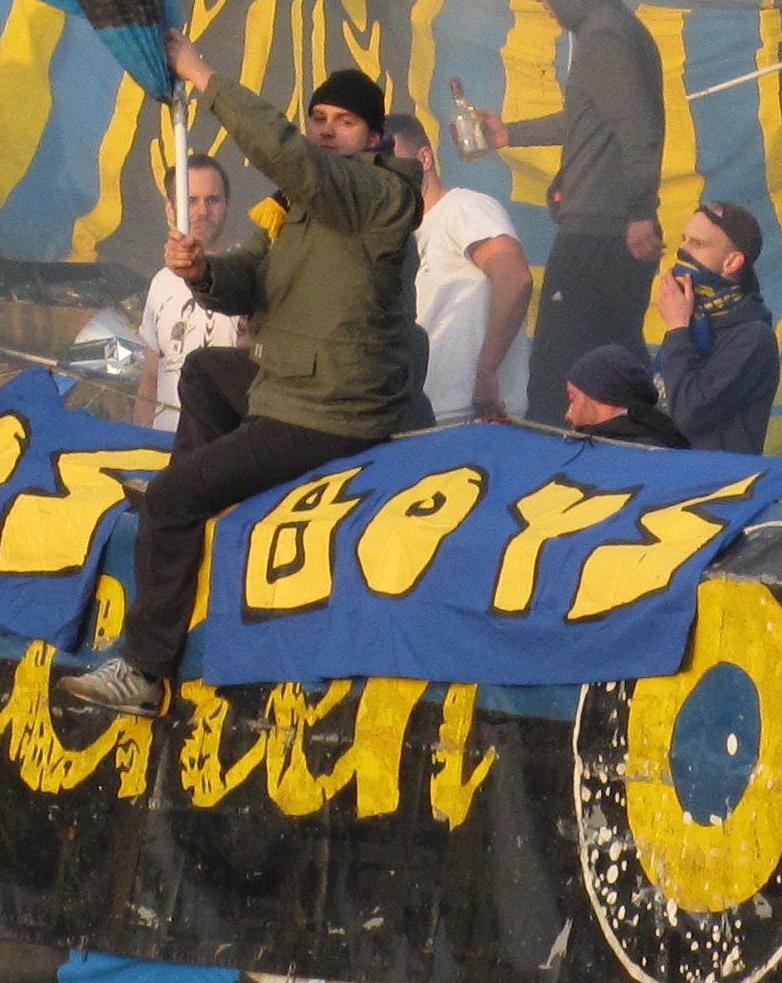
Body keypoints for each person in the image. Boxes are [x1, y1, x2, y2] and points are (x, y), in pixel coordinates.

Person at [57, 42, 422, 720]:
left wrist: (202, 73)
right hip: (288, 383)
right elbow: (245, 278)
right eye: (318, 118)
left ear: (375, 138)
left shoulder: (381, 195)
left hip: (329, 407)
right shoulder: (296, 206)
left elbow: (288, 153)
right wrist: (201, 271)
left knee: (170, 500)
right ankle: (201, 490)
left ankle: (143, 670)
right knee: (204, 371)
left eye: (344, 122)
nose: (325, 131)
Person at [460, 0, 667, 417]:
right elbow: (586, 117)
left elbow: (639, 130)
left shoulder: (606, 35)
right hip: (606, 230)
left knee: (561, 374)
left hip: (599, 235)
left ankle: (556, 456)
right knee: (610, 374)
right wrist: (508, 134)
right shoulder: (610, 29)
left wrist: (640, 211)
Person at [388, 107, 528, 425]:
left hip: (472, 416)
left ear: (425, 159)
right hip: (421, 416)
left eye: (392, 161)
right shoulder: (394, 236)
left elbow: (515, 279)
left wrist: (487, 369)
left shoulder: (463, 208)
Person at [650, 197, 778, 454]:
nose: (683, 251)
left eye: (698, 244)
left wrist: (677, 330)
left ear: (732, 262)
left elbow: (689, 413)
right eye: (683, 240)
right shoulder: (695, 318)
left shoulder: (753, 337)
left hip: (714, 475)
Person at [136, 152, 253, 430]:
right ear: (170, 209)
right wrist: (138, 440)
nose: (202, 211)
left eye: (212, 200)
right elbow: (150, 377)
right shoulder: (161, 282)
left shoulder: (249, 273)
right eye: (190, 200)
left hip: (224, 443)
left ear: (228, 205)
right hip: (163, 444)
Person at [562, 342, 690, 447]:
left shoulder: (606, 453)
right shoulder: (664, 441)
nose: (568, 414)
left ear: (600, 397)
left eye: (573, 399)